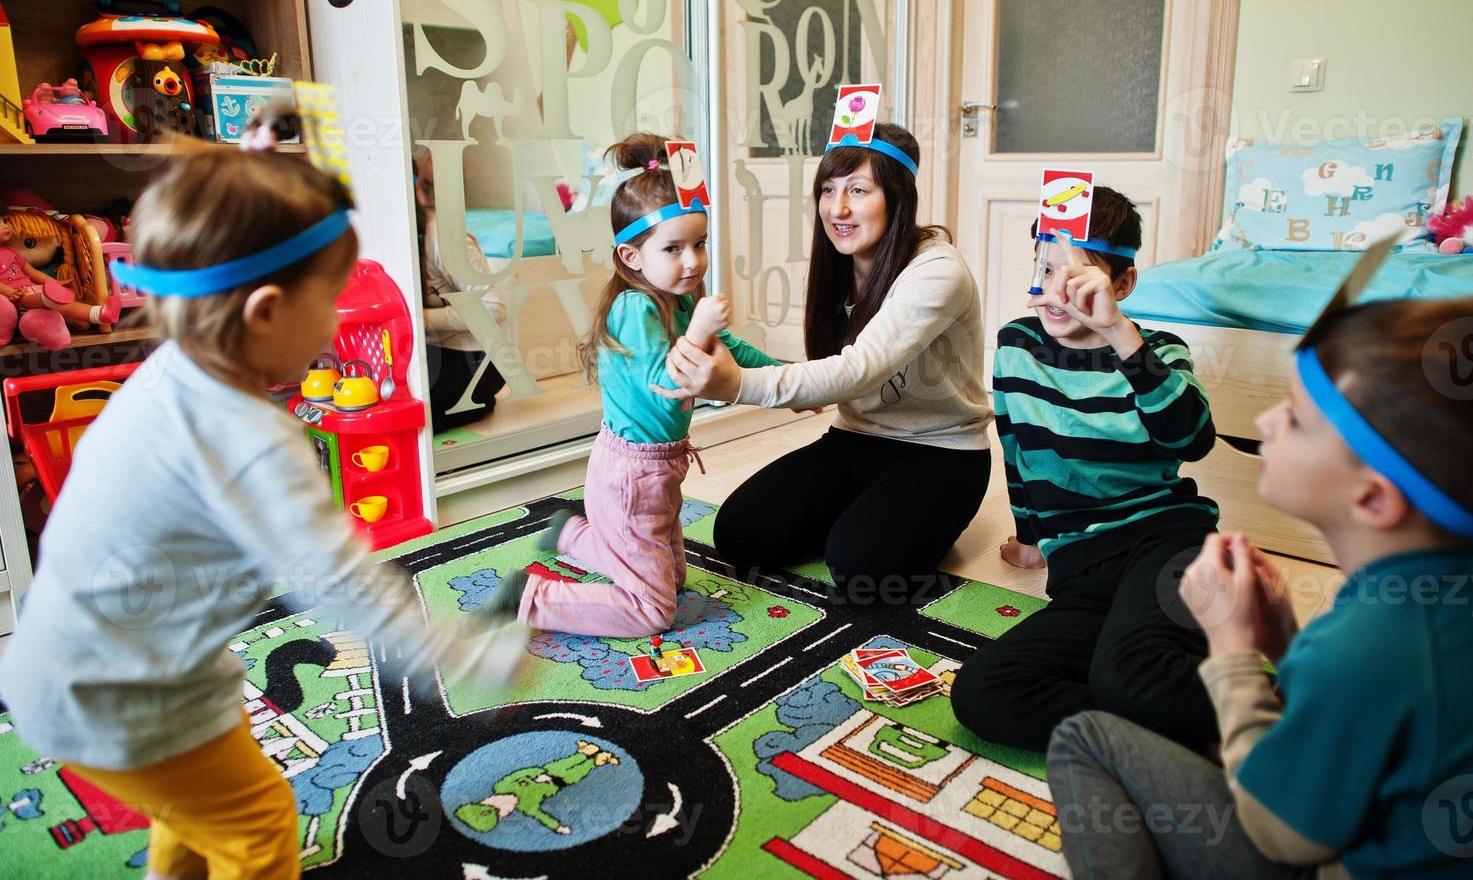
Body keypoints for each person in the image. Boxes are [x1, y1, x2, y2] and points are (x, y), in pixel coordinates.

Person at [0, 146, 529, 880]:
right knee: (257, 827)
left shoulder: (161, 378)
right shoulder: (253, 439)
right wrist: (467, 652)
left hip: (69, 670)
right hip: (130, 696)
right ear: (267, 311)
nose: (336, 319)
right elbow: (341, 582)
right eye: (330, 297)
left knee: (196, 807)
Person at [1046, 295, 1473, 879]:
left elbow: (1286, 836)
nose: (1267, 420)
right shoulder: (1425, 592)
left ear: (1372, 497)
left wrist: (1233, 651)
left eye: (1295, 417)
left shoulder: (1367, 639)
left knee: (1084, 737)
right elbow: (1385, 721)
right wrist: (1287, 645)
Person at [657, 122, 991, 602]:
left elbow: (859, 369)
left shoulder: (938, 270)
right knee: (739, 535)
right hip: (856, 441)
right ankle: (866, 519)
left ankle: (901, 526)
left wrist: (736, 384)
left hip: (942, 453)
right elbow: (834, 373)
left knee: (863, 571)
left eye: (859, 190)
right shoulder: (841, 265)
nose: (839, 208)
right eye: (828, 190)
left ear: (898, 196)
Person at [951, 190, 1221, 753]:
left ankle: (1289, 725)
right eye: (1045, 270)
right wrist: (1030, 539)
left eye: (1077, 279)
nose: (1055, 293)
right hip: (1081, 567)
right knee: (982, 691)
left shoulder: (1159, 352)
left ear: (1122, 285)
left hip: (1166, 541)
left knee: (1132, 674)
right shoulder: (1016, 345)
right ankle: (1161, 724)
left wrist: (1123, 336)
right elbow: (1018, 447)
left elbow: (1192, 439)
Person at [480, 133, 780, 638]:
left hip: (660, 470)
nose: (693, 261)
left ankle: (573, 535)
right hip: (629, 477)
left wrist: (785, 383)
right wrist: (702, 331)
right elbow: (665, 385)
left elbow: (736, 353)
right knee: (652, 611)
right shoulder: (633, 309)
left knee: (676, 578)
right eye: (673, 248)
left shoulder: (678, 300)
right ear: (632, 256)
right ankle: (527, 598)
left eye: (699, 244)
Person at [413, 150, 511, 430]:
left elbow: (493, 308)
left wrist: (420, 320)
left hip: (467, 360)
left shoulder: (442, 237)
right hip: (429, 354)